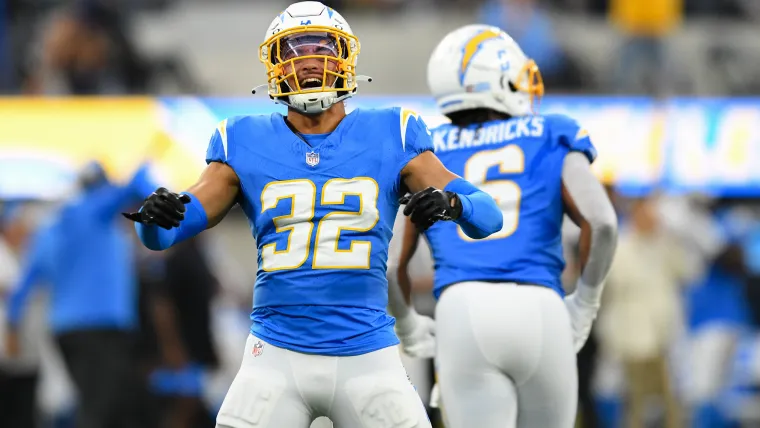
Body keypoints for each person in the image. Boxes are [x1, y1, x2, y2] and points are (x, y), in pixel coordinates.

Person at [122, 2, 503, 428]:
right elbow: (171, 230)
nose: (307, 61)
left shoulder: (392, 132)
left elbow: (489, 217)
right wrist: (158, 219)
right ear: (274, 65)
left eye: (320, 47)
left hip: (367, 356)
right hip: (275, 356)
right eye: (293, 51)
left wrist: (455, 205)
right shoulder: (242, 139)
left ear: (345, 57)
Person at [388, 24, 618, 428]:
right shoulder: (551, 132)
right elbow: (601, 223)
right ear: (497, 80)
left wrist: (407, 324)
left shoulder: (427, 152)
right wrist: (585, 304)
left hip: (462, 310)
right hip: (540, 307)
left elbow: (391, 265)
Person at [6, 161, 157, 428]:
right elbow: (137, 182)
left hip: (66, 331)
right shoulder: (95, 211)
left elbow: (22, 289)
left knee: (98, 403)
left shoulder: (50, 230)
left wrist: (12, 328)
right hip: (101, 329)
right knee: (105, 410)